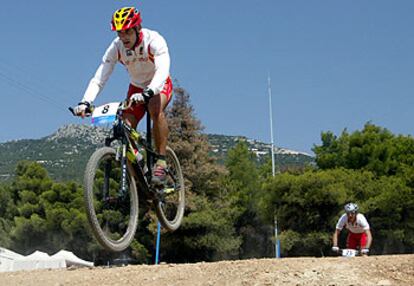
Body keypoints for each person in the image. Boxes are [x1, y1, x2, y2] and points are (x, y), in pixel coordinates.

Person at [73, 6, 172, 185]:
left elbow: (162, 69)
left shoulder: (154, 40)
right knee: (125, 129)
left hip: (158, 84)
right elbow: (100, 76)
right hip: (136, 87)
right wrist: (86, 101)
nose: (123, 37)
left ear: (137, 29)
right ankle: (142, 183)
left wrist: (150, 91)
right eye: (120, 33)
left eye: (127, 32)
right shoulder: (116, 47)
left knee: (154, 108)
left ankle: (161, 160)